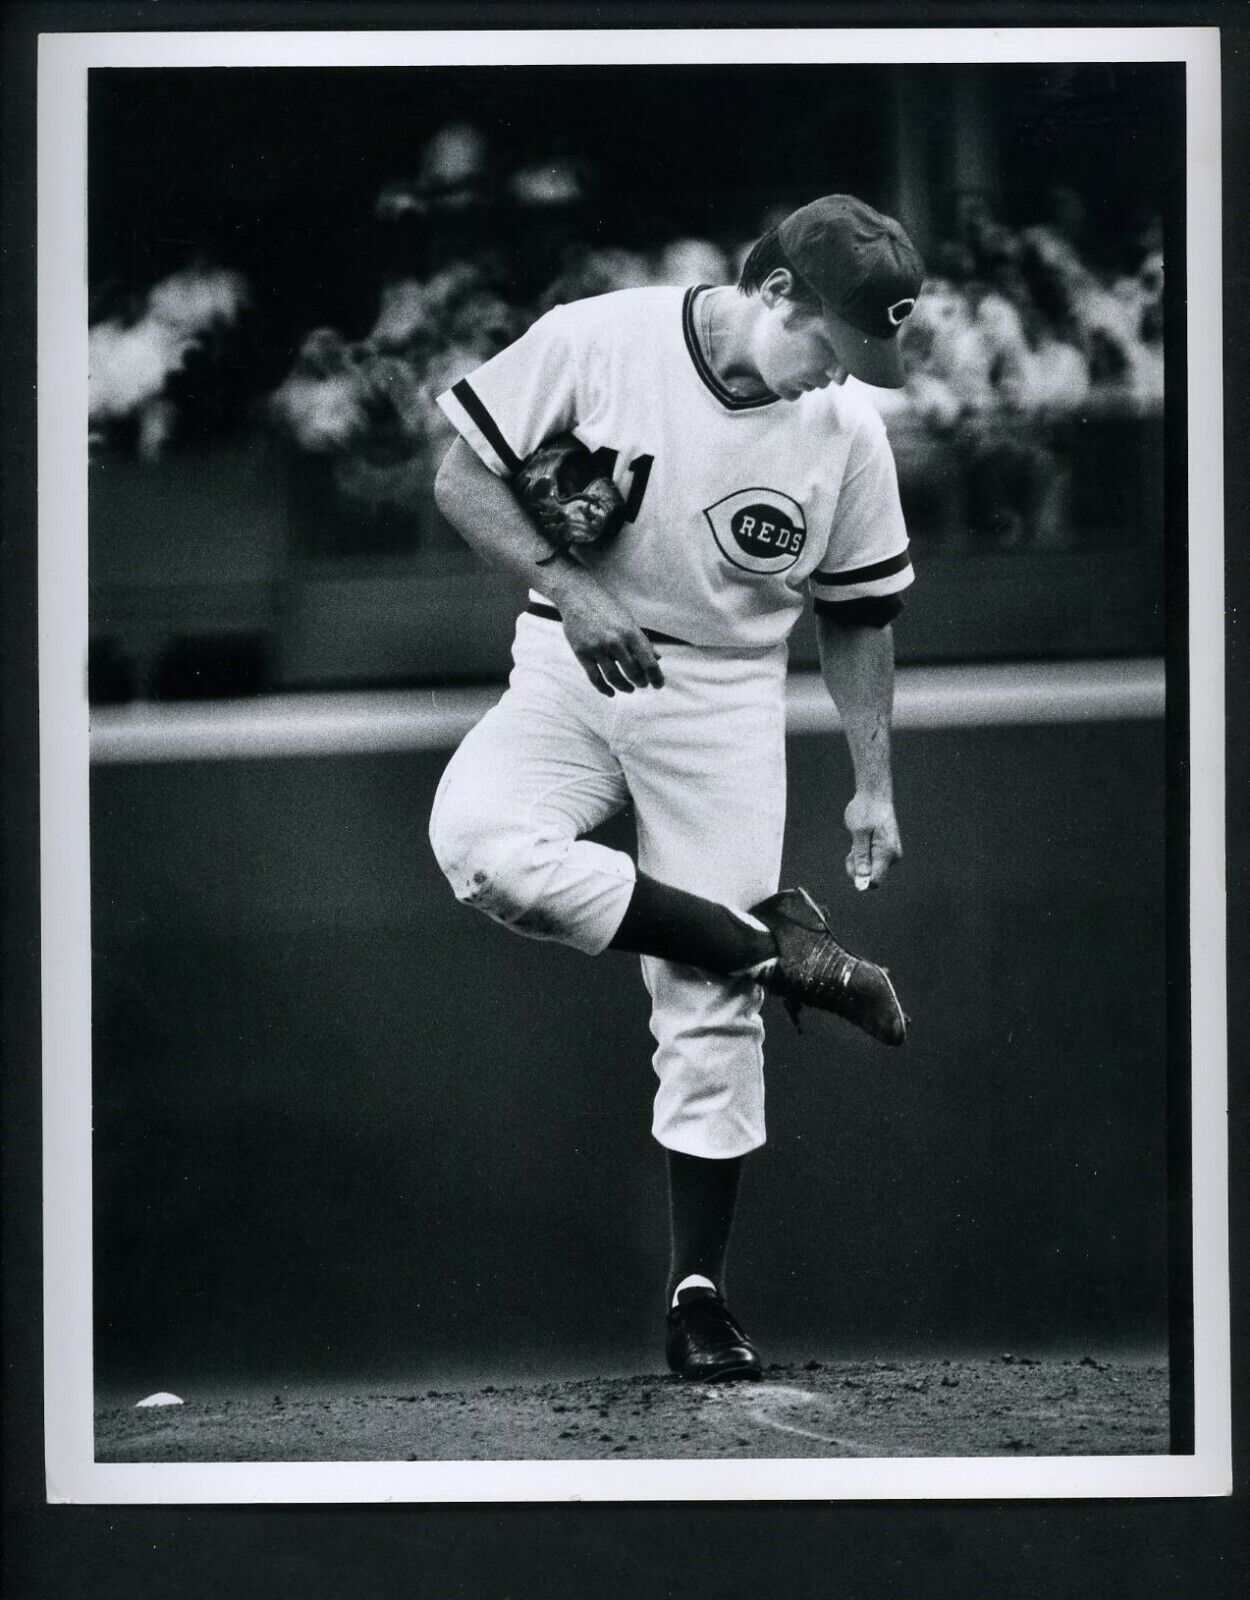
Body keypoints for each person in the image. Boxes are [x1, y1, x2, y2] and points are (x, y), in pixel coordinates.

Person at [429, 195, 924, 1381]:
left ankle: (698, 1295)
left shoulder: (842, 431)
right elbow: (462, 477)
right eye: (829, 343)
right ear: (774, 294)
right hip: (568, 651)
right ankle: (774, 945)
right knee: (480, 845)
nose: (834, 377)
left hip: (720, 693)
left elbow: (857, 615)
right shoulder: (599, 337)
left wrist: (871, 784)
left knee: (703, 1013)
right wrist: (573, 586)